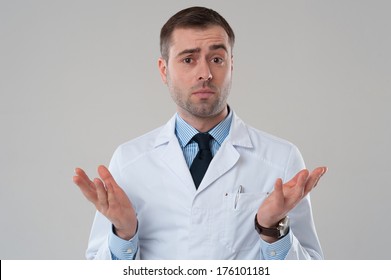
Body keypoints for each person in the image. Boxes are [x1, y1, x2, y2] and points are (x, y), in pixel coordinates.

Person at [73, 6, 327, 260]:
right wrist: (124, 233)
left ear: (231, 66)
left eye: (216, 59)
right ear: (164, 70)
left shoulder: (280, 159)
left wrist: (273, 231)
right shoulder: (129, 161)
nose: (205, 73)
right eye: (188, 59)